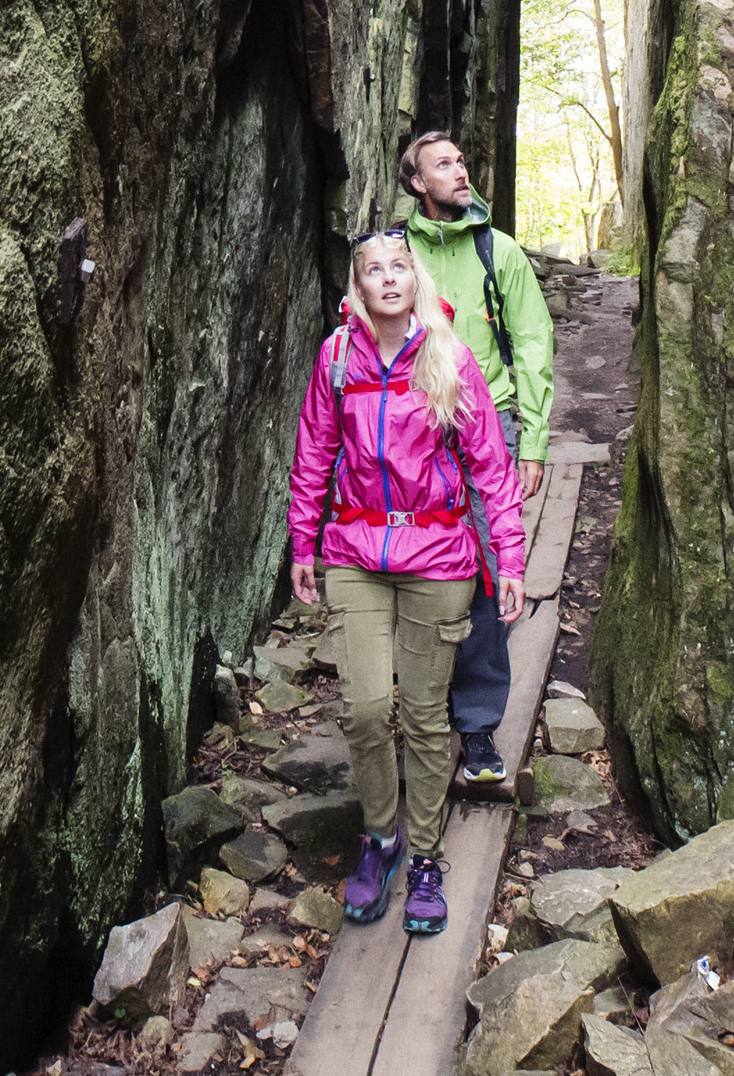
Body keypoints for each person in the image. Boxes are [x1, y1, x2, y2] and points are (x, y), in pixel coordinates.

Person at [288, 221, 527, 938]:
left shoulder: (449, 357)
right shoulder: (337, 360)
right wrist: (304, 543)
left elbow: (491, 465)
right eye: (373, 270)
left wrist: (509, 558)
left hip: (439, 557)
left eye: (399, 267)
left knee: (425, 718)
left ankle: (425, 858)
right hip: (356, 552)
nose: (388, 278)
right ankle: (380, 837)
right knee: (365, 711)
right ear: (357, 287)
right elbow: (314, 454)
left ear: (413, 279)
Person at [393, 131, 553, 789]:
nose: (461, 171)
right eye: (444, 164)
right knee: (419, 576)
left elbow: (534, 340)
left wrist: (535, 440)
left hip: (491, 433)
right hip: (413, 439)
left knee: (488, 575)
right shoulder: (393, 257)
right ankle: (425, 719)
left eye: (462, 160)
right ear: (416, 183)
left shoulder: (500, 252)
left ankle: (480, 728)